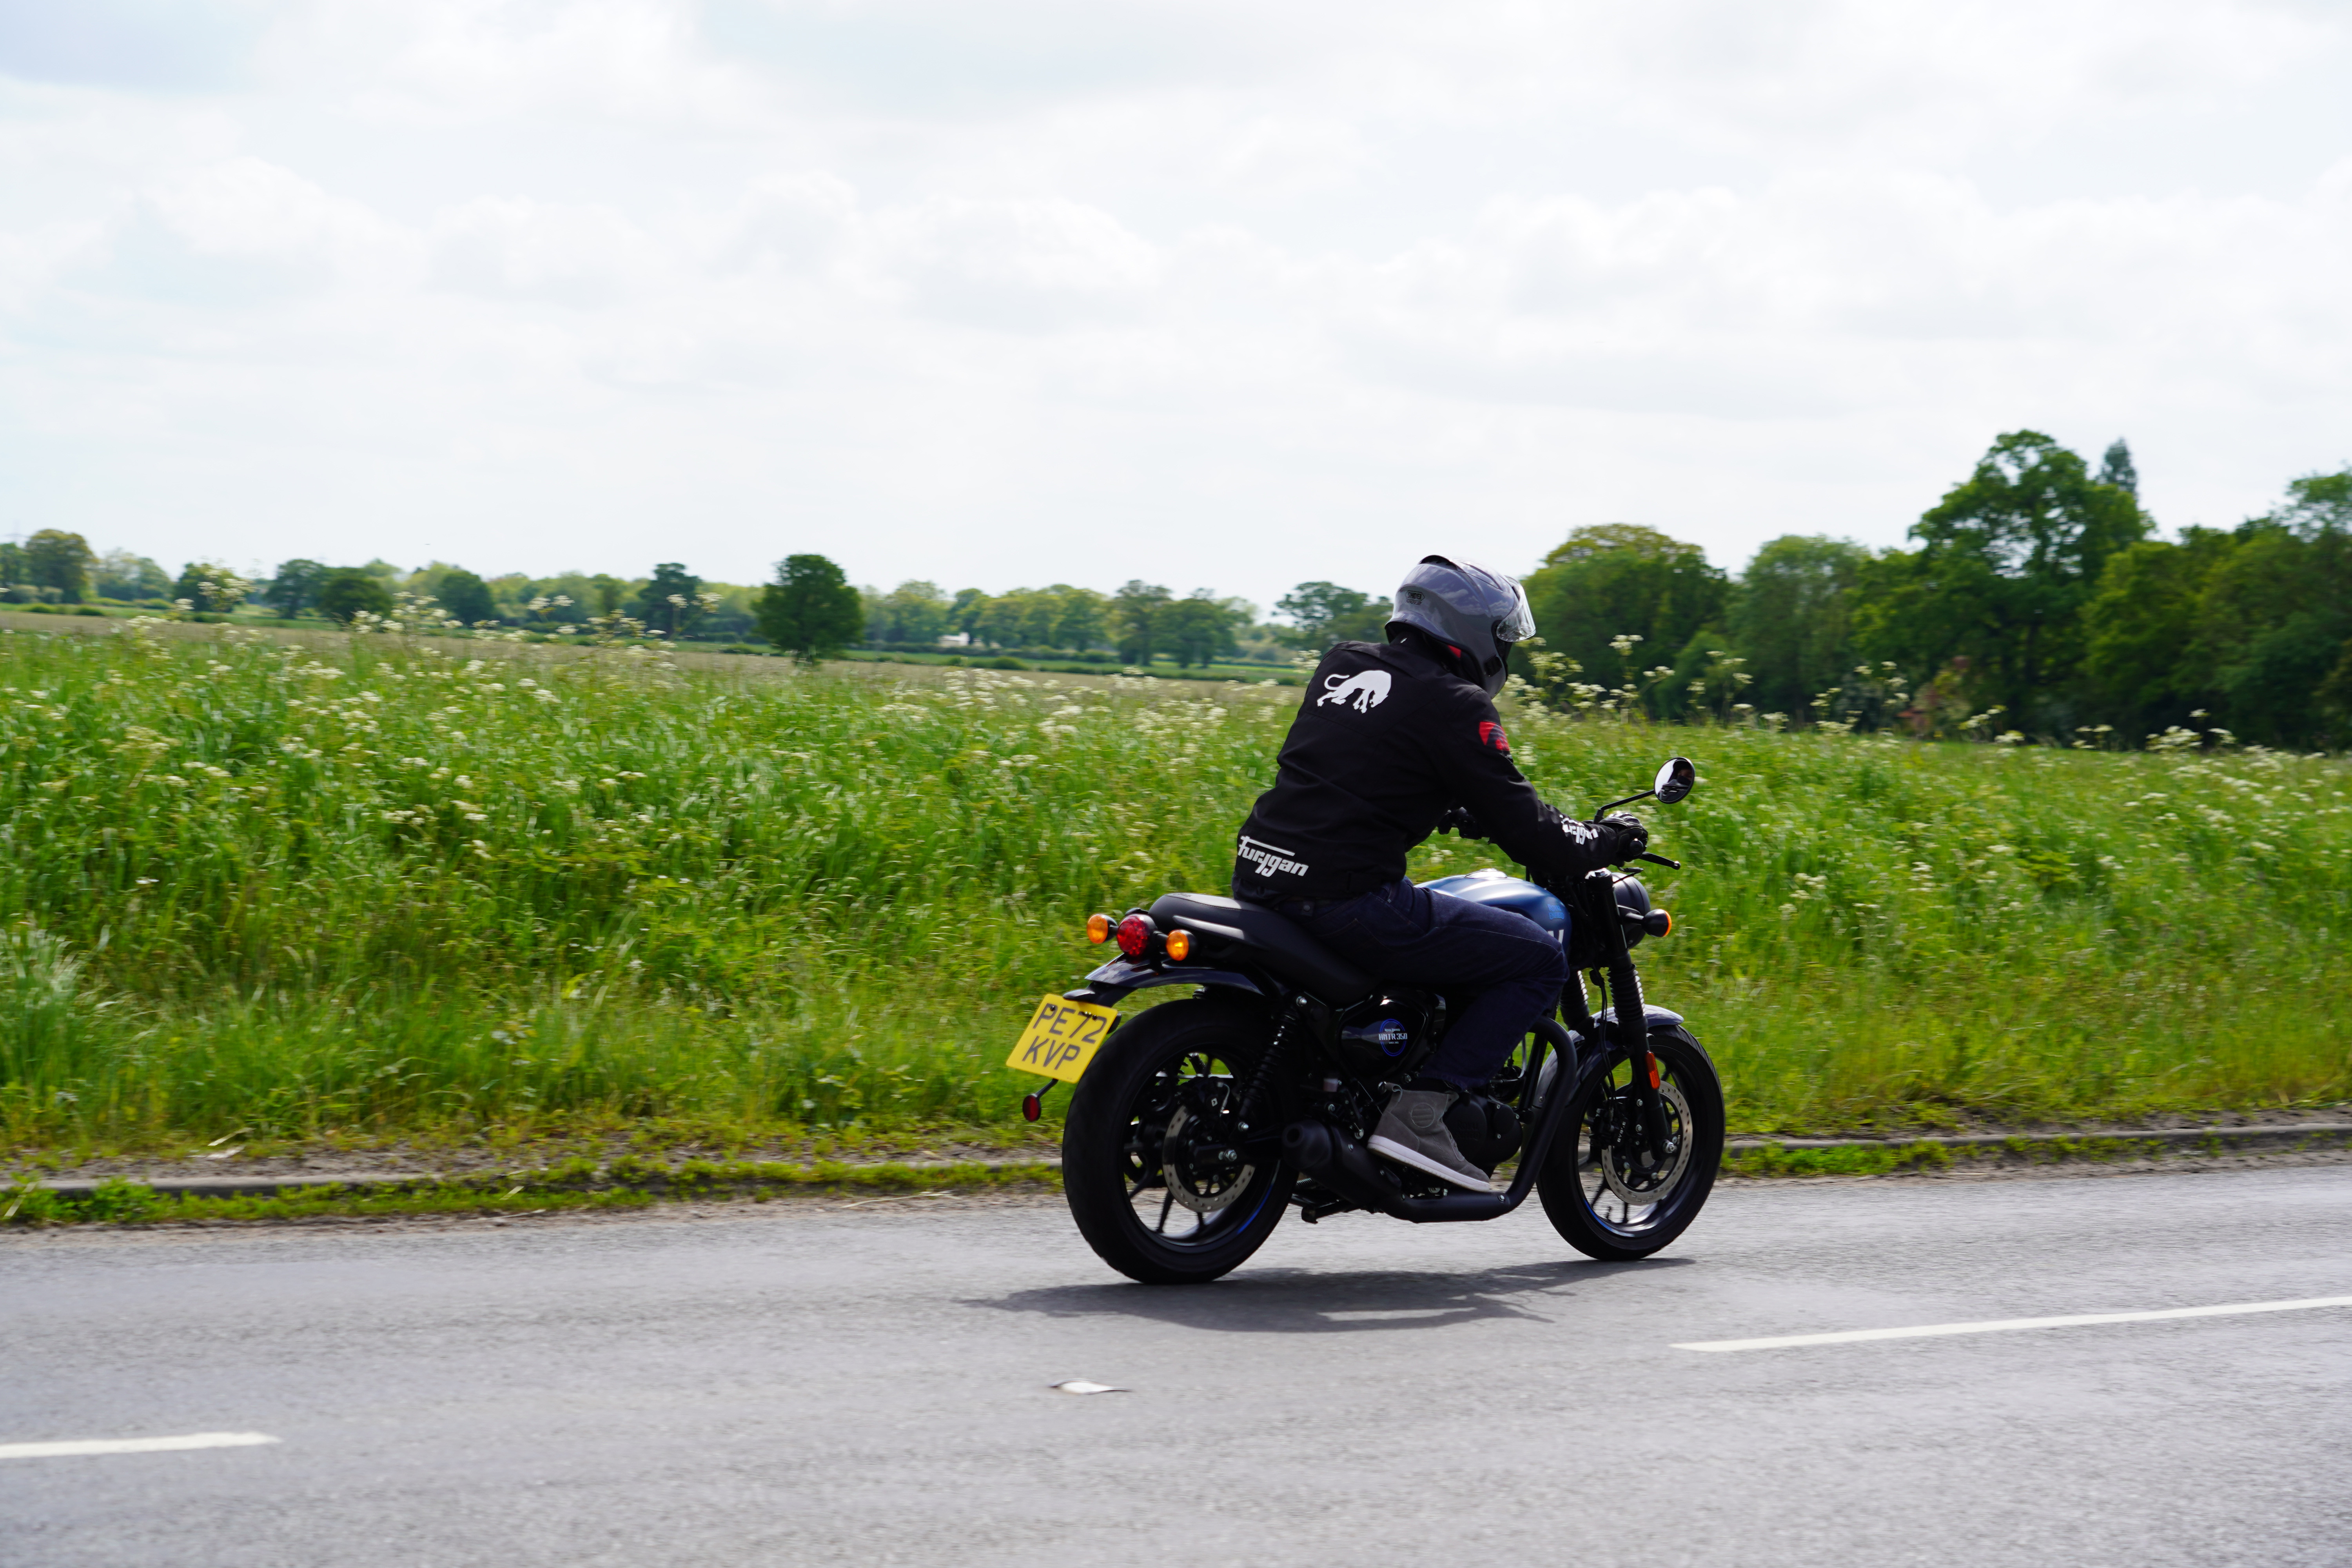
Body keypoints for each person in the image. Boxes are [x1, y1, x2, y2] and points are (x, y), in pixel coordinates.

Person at [1230, 555, 1647, 1191]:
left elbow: (1355, 765)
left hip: (1262, 874)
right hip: (1347, 900)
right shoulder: (1456, 704)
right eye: (1505, 639)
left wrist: (1442, 800)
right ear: (1474, 634)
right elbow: (1535, 833)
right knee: (1537, 960)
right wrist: (1608, 839)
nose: (1507, 651)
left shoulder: (1345, 662)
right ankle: (1420, 1116)